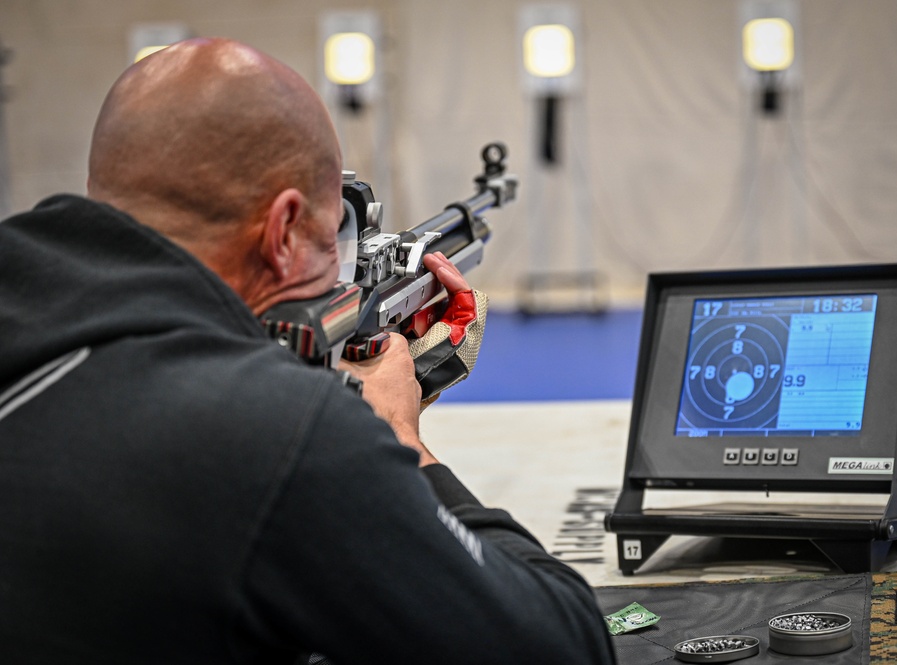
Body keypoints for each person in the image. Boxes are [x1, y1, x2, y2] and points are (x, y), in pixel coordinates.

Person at [0, 38, 615, 663]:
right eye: (332, 246)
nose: (335, 276)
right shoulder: (274, 430)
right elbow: (560, 647)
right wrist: (396, 434)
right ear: (283, 229)